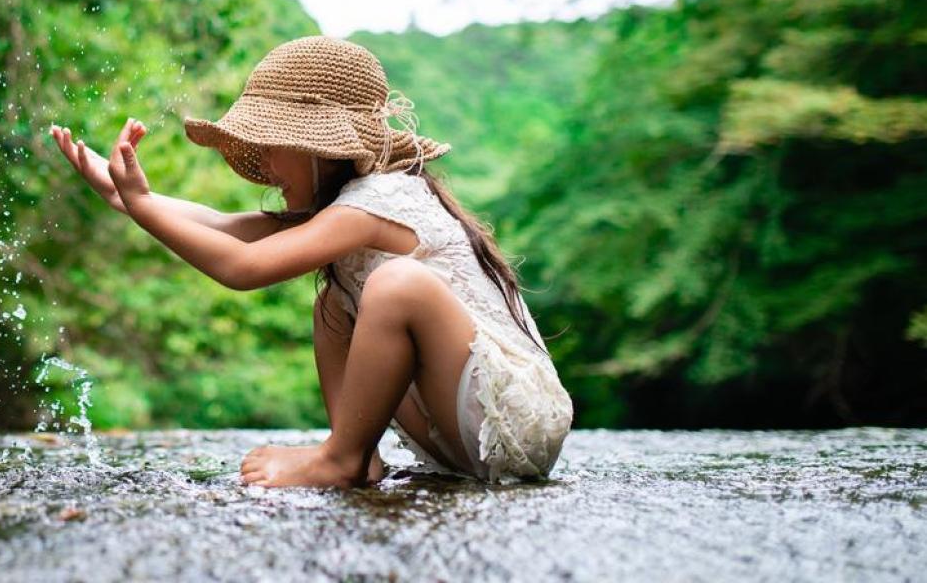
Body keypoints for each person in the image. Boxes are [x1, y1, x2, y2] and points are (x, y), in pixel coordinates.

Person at [46, 36, 573, 488]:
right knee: (334, 305)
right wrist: (128, 198)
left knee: (396, 285)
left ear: (323, 147)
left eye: (274, 144)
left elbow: (240, 266)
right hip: (460, 429)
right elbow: (222, 226)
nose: (267, 164)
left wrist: (139, 205)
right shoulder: (340, 209)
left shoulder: (380, 201)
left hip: (510, 424)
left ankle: (338, 458)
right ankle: (361, 456)